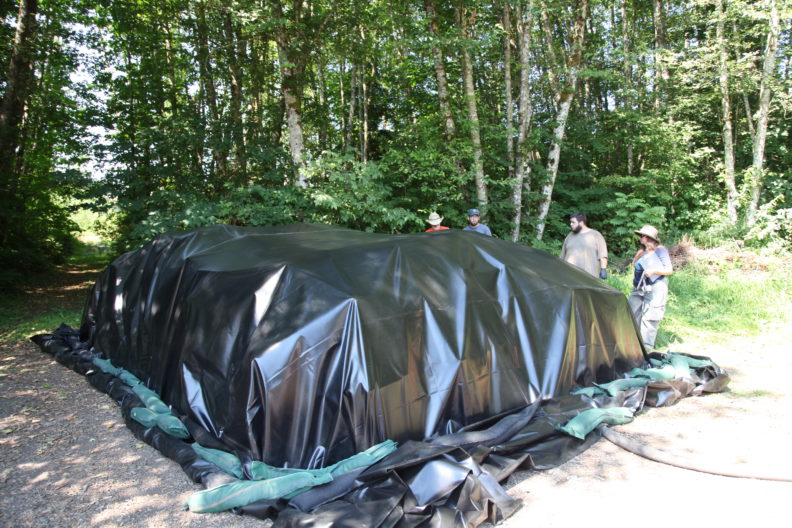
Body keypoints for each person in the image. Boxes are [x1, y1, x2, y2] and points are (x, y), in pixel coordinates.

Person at [628, 225, 673, 350]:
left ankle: (647, 349)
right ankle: (633, 346)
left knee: (650, 318)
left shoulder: (660, 250)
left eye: (642, 236)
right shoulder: (642, 251)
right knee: (631, 313)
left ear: (649, 238)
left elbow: (669, 269)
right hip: (639, 286)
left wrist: (653, 271)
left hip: (656, 286)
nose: (640, 238)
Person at [559, 212, 608, 278]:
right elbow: (562, 256)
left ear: (581, 222)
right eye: (570, 222)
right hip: (569, 276)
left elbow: (603, 255)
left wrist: (603, 269)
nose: (571, 224)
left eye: (573, 222)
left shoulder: (595, 235)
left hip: (589, 277)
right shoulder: (570, 236)